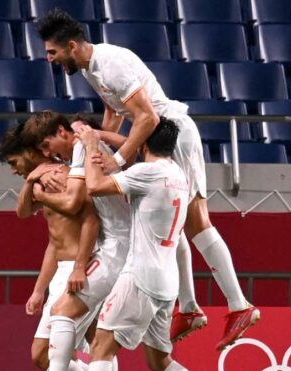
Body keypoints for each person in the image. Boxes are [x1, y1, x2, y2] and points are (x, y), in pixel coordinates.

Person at [36, 8, 260, 350]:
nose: (49, 59)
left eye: (52, 52)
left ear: (71, 45)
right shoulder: (88, 67)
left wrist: (118, 160)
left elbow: (147, 116)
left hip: (173, 135)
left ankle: (238, 305)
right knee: (176, 220)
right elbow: (114, 110)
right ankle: (188, 307)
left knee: (197, 221)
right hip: (152, 139)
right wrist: (99, 147)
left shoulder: (111, 62)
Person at [45, 118, 237, 371]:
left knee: (102, 346)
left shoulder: (147, 174)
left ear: (144, 143)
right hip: (167, 284)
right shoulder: (177, 173)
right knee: (159, 362)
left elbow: (95, 187)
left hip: (140, 277)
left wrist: (91, 145)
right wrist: (106, 137)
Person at [10, 111, 148, 371]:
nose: (49, 153)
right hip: (110, 250)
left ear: (61, 132)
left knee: (70, 326)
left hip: (120, 251)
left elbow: (77, 205)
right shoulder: (76, 153)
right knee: (74, 342)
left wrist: (77, 264)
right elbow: (52, 226)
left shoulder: (83, 151)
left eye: (47, 145)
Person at [0, 122, 99, 371]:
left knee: (49, 353)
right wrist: (39, 290)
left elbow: (85, 218)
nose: (14, 171)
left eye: (15, 164)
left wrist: (80, 265)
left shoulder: (59, 176)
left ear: (28, 154)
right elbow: (31, 219)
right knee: (51, 354)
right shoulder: (40, 176)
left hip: (79, 270)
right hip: (62, 272)